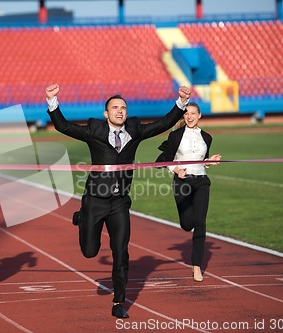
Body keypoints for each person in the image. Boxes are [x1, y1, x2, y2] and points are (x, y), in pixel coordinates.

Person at [45, 83, 191, 318]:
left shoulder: (134, 129)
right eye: (115, 108)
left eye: (123, 107)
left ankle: (118, 301)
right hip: (95, 200)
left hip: (120, 202)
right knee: (90, 251)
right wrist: (52, 101)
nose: (120, 111)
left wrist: (181, 103)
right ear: (106, 114)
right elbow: (63, 126)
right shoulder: (94, 129)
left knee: (120, 252)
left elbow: (162, 124)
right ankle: (82, 218)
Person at [156, 102, 221, 282]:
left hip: (201, 182)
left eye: (193, 113)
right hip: (182, 182)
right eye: (186, 114)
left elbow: (201, 160)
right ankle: (187, 223)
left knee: (200, 222)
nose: (190, 116)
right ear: (183, 116)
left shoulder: (207, 137)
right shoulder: (175, 135)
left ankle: (197, 266)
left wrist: (209, 161)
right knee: (187, 224)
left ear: (199, 115)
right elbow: (165, 160)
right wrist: (176, 171)